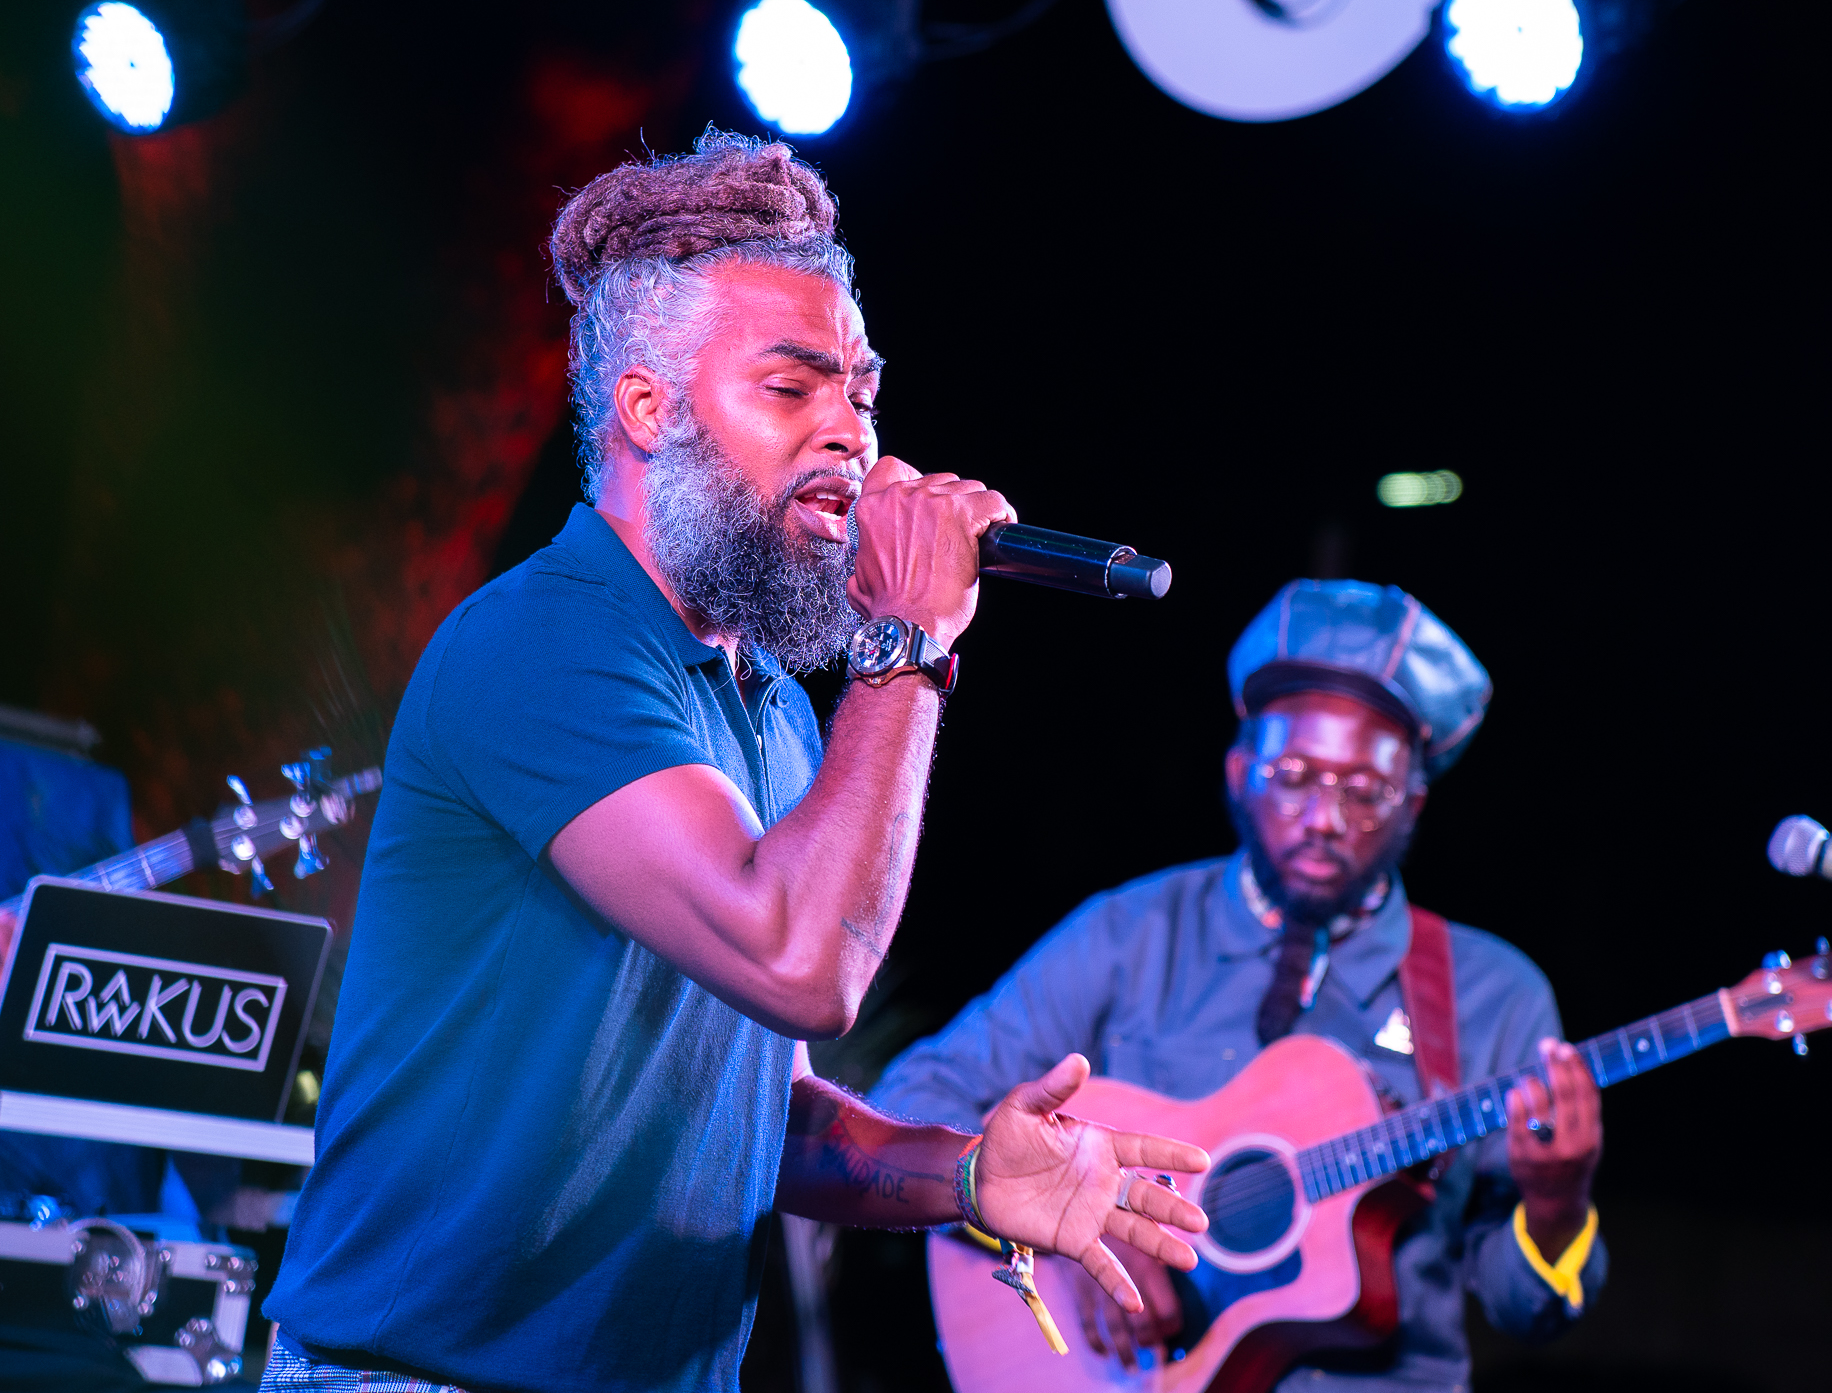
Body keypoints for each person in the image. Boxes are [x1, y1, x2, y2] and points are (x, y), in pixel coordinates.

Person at [262, 130, 1210, 1393]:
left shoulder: (769, 709)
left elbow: (770, 1113)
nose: (853, 438)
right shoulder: (545, 645)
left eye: (863, 393)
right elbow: (803, 960)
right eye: (793, 388)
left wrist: (967, 1176)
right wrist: (908, 639)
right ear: (647, 409)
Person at [872, 580, 1607, 1391]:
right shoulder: (1132, 932)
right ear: (1239, 770)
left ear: (1413, 805)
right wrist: (1069, 1240)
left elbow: (1522, 1312)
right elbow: (917, 1095)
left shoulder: (1492, 993)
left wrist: (1557, 1203)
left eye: (1364, 792)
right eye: (1293, 774)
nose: (1324, 817)